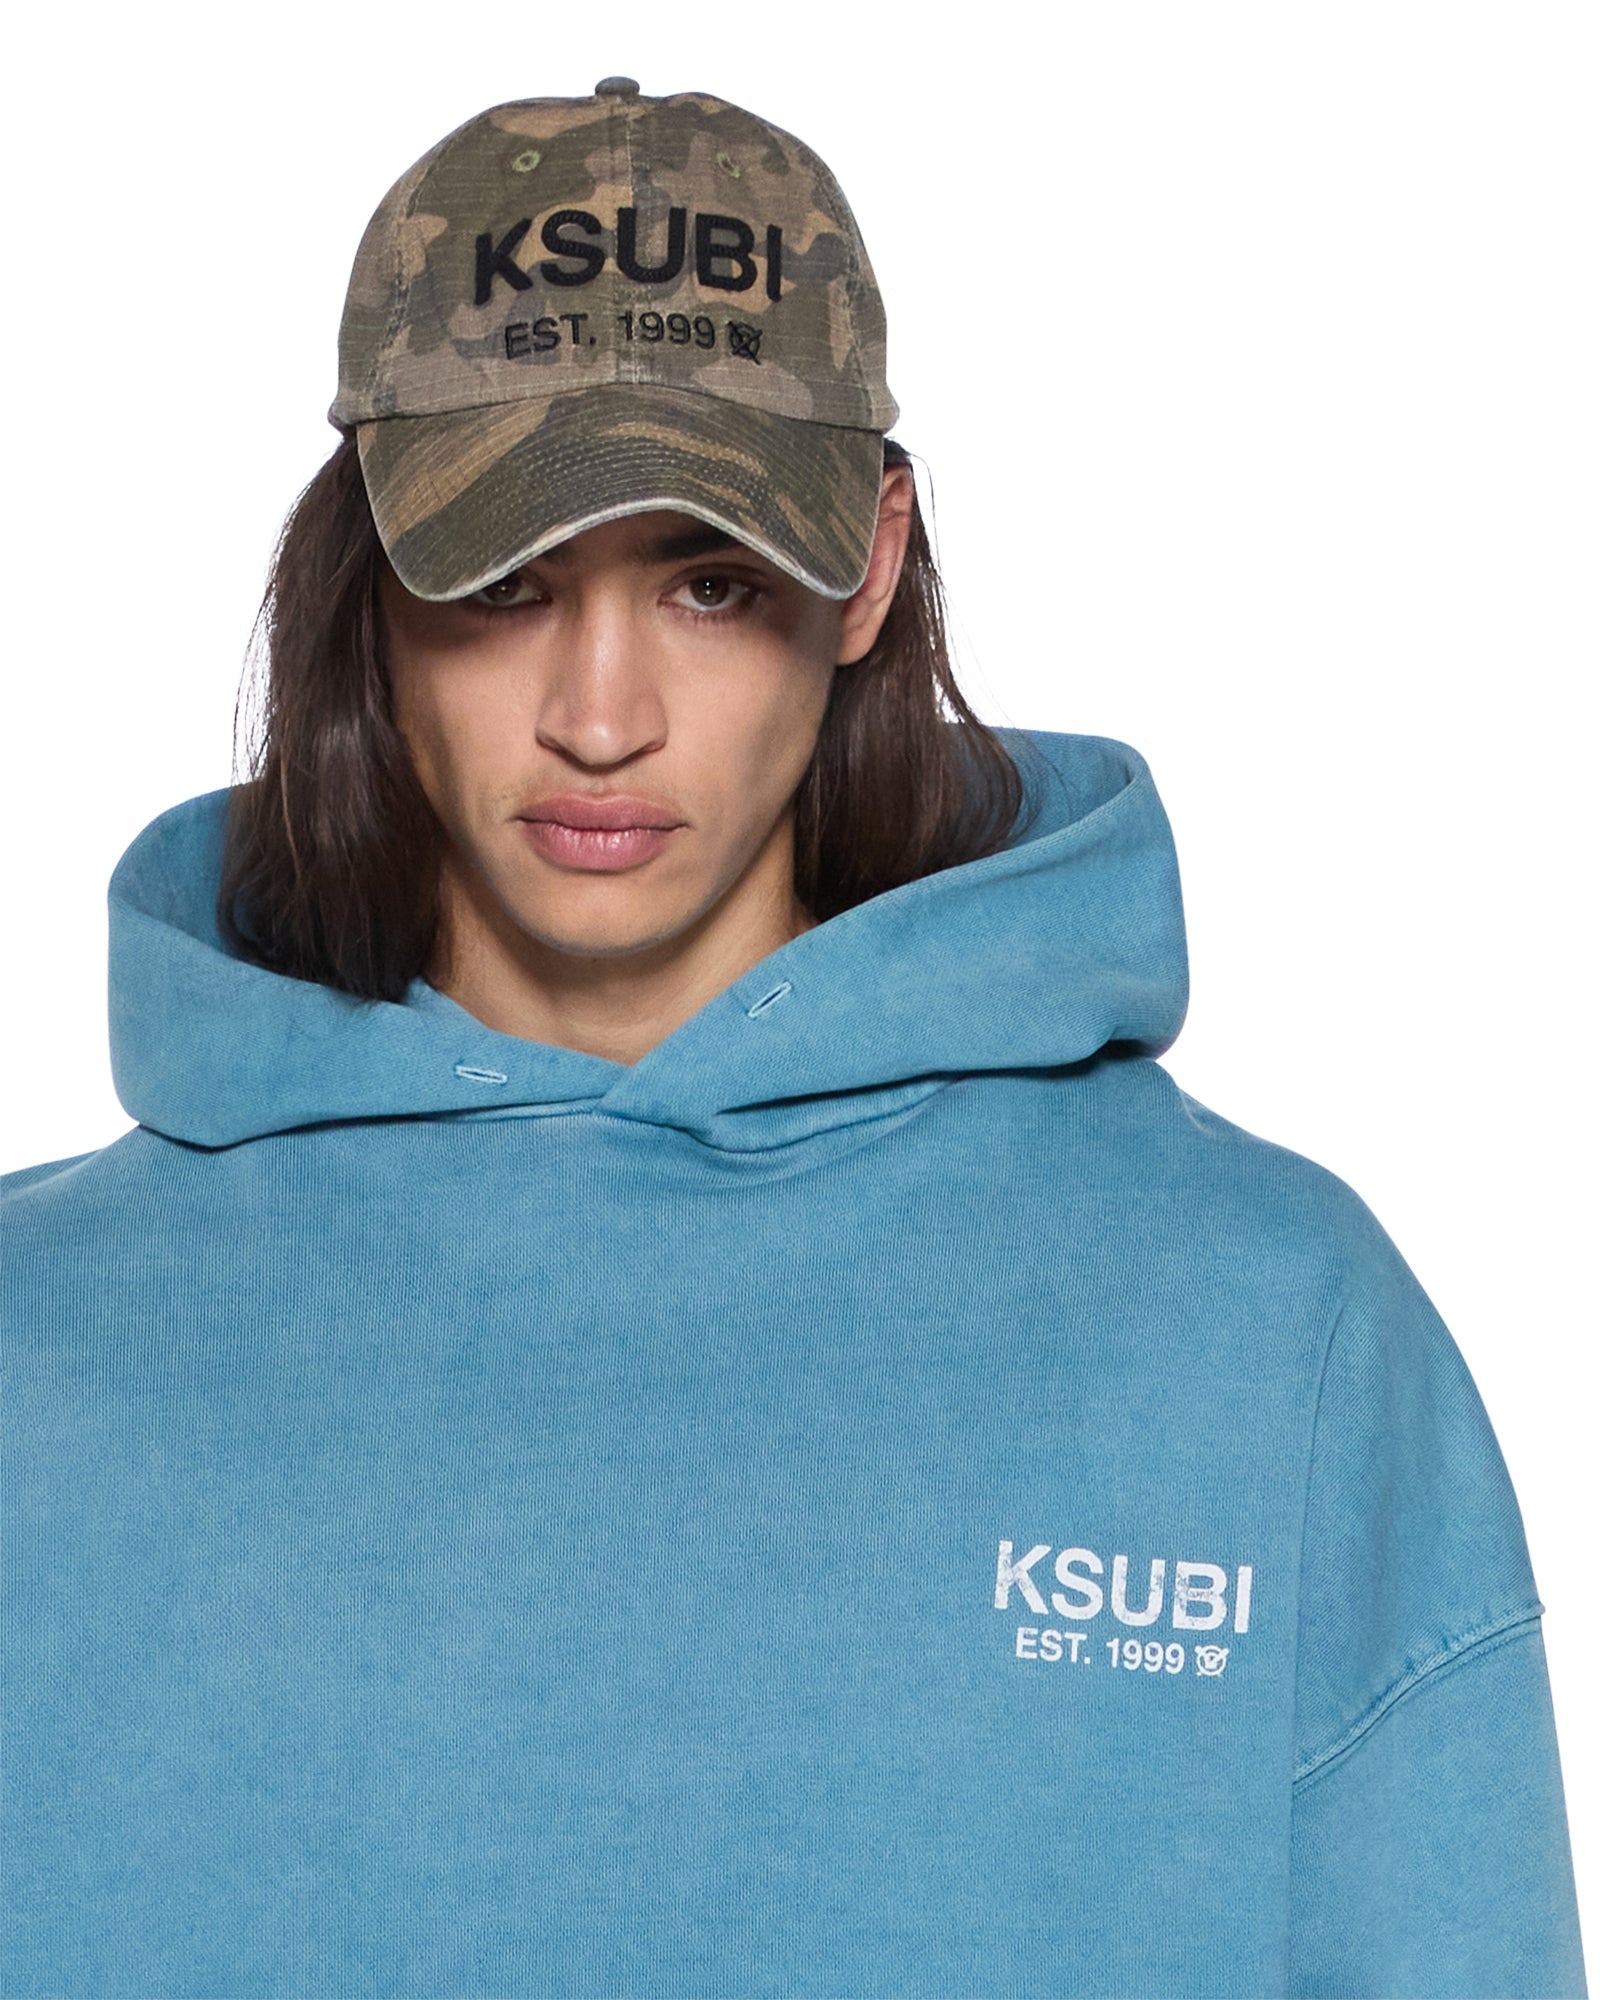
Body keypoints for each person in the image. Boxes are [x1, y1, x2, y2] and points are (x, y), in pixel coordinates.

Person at [1, 76, 1587, 2000]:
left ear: (873, 566)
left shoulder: (1263, 1329)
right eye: (501, 584)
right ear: (367, 590)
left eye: (710, 581)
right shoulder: (36, 1346)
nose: (602, 716)